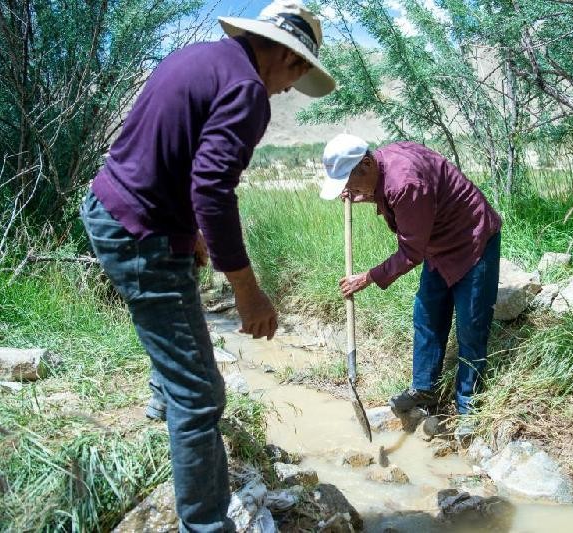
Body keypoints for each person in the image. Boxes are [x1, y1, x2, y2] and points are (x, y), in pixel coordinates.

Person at [80, 2, 335, 530]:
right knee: (200, 396)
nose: (288, 89)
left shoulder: (197, 58)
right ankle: (205, 525)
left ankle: (160, 410)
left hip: (113, 208)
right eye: (296, 76)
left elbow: (170, 155)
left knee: (176, 322)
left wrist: (191, 233)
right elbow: (213, 188)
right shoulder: (246, 90)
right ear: (288, 56)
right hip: (140, 233)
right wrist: (247, 289)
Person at [319, 134, 501, 441]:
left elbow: (410, 253)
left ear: (366, 164)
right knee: (426, 316)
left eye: (349, 182)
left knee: (471, 327)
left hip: (471, 241)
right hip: (437, 246)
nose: (349, 190)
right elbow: (397, 199)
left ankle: (468, 408)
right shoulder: (382, 165)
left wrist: (367, 277)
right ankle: (424, 390)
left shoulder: (406, 182)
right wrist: (362, 195)